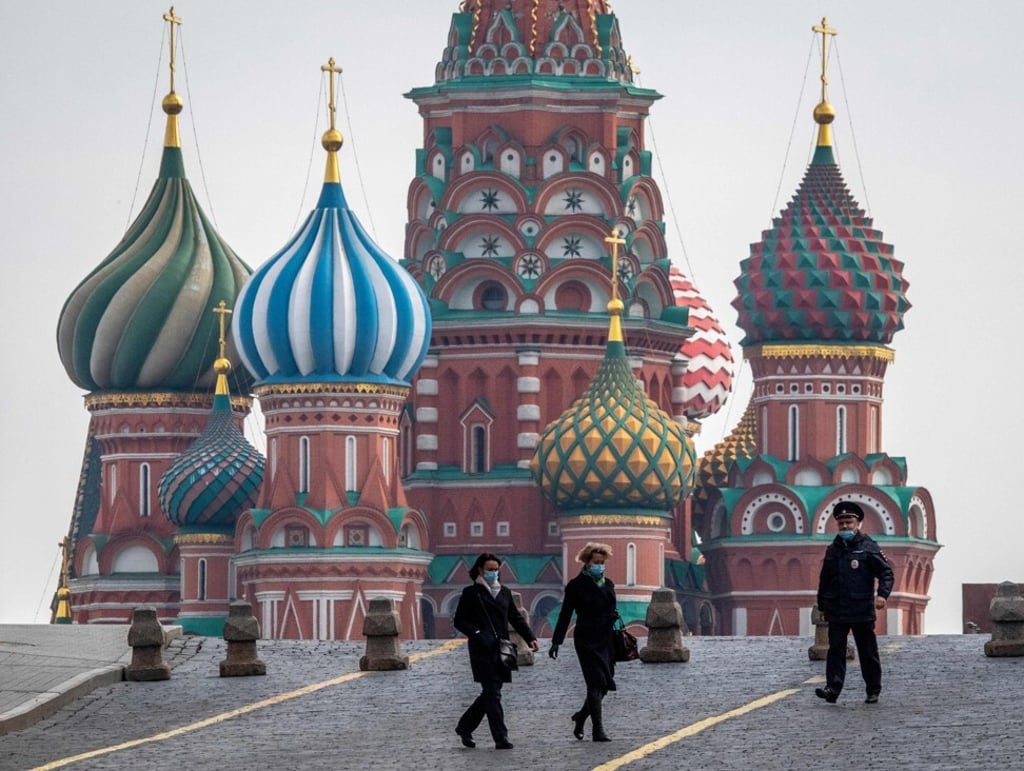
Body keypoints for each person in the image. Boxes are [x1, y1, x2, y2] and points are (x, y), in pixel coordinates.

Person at [452, 553, 539, 750]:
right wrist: (477, 633)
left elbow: (515, 618)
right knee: (492, 693)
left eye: (496, 569)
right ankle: (501, 738)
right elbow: (460, 620)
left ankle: (465, 726)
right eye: (489, 569)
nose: (493, 573)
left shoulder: (505, 592)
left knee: (492, 693)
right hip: (481, 649)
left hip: (502, 649)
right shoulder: (471, 593)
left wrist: (530, 637)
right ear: (480, 570)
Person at [815, 500, 895, 705]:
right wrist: (822, 605)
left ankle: (873, 690)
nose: (844, 527)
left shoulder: (868, 547)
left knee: (867, 651)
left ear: (858, 523)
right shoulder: (833, 549)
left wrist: (882, 595)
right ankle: (832, 689)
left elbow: (886, 573)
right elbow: (824, 580)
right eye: (841, 523)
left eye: (848, 522)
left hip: (861, 609)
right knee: (836, 651)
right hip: (837, 609)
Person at [549, 542, 616, 742]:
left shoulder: (608, 583)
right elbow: (565, 614)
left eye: (602, 562)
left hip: (606, 639)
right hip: (586, 640)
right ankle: (598, 730)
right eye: (596, 562)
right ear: (587, 562)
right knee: (594, 683)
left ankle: (580, 717)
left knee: (605, 684)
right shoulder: (576, 586)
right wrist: (556, 641)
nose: (600, 566)